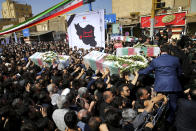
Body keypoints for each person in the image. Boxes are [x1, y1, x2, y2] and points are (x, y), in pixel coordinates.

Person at [139, 45, 182, 123]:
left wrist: (138, 72)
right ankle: (170, 120)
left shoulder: (156, 60)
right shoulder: (175, 59)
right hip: (173, 84)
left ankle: (160, 120)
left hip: (160, 85)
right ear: (168, 51)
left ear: (160, 51)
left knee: (160, 103)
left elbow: (146, 71)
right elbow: (179, 73)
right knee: (173, 104)